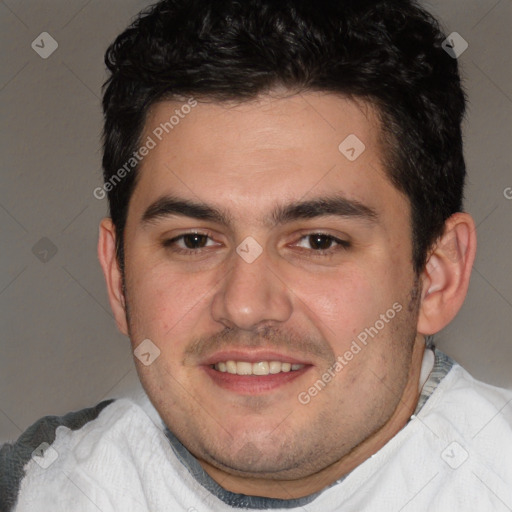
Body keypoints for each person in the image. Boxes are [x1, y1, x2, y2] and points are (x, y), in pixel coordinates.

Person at [1, 0, 511, 510]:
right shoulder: (36, 491)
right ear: (118, 277)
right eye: (193, 241)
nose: (245, 306)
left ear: (437, 275)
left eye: (319, 241)